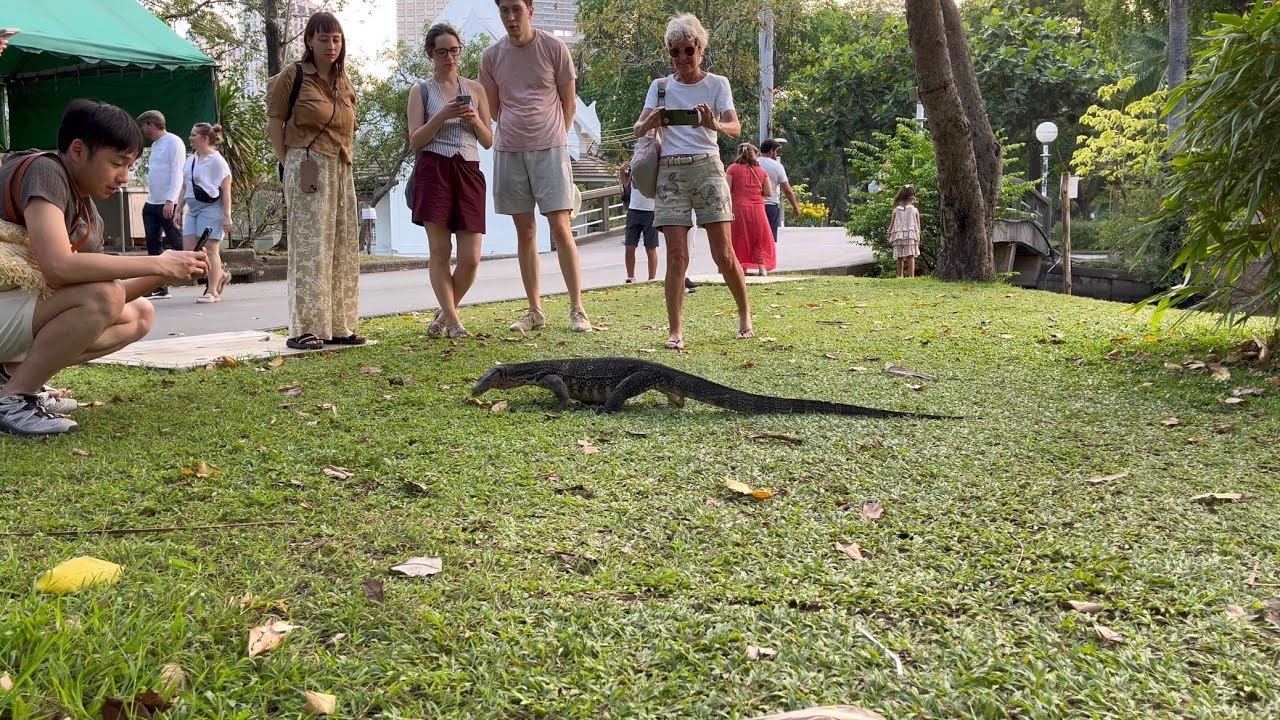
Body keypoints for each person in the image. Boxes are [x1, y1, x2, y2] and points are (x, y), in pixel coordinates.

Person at [0, 99, 208, 436]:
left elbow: (109, 296)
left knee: (139, 313)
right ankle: (13, 398)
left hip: (10, 311)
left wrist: (168, 269)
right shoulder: (45, 170)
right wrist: (156, 260)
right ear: (79, 150)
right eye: (117, 163)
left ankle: (12, 379)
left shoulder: (85, 213)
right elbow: (58, 267)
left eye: (130, 166)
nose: (124, 177)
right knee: (104, 297)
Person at [632, 12, 753, 350]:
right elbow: (638, 129)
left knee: (723, 253)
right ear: (669, 53)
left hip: (707, 168)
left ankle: (744, 312)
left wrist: (713, 124)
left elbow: (735, 128)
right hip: (670, 171)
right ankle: (675, 330)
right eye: (675, 51)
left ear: (700, 48)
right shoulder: (659, 88)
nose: (683, 58)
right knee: (676, 256)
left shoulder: (717, 84)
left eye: (689, 49)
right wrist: (651, 122)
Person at [480, 0, 592, 333]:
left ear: (530, 9)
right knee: (525, 231)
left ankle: (577, 309)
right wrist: (519, 125)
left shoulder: (554, 48)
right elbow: (494, 108)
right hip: (510, 150)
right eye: (504, 11)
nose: (510, 18)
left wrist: (552, 134)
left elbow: (569, 103)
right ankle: (534, 309)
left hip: (550, 148)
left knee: (560, 227)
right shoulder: (491, 57)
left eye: (516, 9)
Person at [266, 11, 362, 350]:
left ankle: (339, 324)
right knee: (310, 247)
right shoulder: (292, 76)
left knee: (343, 244)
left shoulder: (344, 80)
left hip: (341, 165)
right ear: (309, 40)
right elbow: (275, 125)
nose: (331, 45)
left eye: (336, 38)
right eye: (323, 38)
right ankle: (305, 327)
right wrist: (291, 162)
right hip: (307, 162)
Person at [409, 23, 493, 340]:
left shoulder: (477, 90)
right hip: (435, 171)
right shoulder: (422, 91)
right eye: (442, 52)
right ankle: (455, 323)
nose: (449, 57)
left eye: (454, 50)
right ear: (431, 54)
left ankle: (443, 315)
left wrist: (472, 119)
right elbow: (416, 139)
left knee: (471, 258)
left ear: (460, 52)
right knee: (441, 252)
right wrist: (442, 115)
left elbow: (488, 140)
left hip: (469, 170)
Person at [177, 122, 233, 303]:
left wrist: (226, 216)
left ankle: (212, 291)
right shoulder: (191, 159)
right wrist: (179, 208)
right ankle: (221, 275)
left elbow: (226, 190)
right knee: (191, 251)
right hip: (193, 209)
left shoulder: (217, 161)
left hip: (210, 208)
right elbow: (185, 187)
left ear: (205, 138)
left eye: (193, 135)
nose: (190, 138)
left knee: (210, 249)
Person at [137, 110, 186, 299]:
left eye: (143, 126)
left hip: (167, 201)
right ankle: (160, 286)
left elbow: (177, 173)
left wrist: (170, 200)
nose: (143, 130)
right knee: (152, 244)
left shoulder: (174, 142)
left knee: (177, 241)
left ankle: (208, 273)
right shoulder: (156, 145)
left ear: (151, 124)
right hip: (152, 201)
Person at [725, 143, 775, 277]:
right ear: (755, 154)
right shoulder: (761, 171)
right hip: (758, 209)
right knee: (758, 238)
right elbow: (768, 192)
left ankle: (742, 268)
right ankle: (762, 268)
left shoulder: (732, 168)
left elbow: (727, 188)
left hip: (738, 208)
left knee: (739, 237)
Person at [618, 161, 658, 283]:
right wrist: (621, 171)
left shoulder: (654, 170)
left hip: (650, 211)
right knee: (629, 246)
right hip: (634, 210)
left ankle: (652, 278)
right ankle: (630, 277)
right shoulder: (634, 169)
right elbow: (625, 184)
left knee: (650, 247)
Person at [758, 138, 800, 242]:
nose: (776, 154)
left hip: (754, 206)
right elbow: (787, 190)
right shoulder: (777, 166)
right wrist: (795, 207)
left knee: (755, 238)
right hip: (770, 207)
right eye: (776, 151)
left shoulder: (752, 163)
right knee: (769, 240)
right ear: (771, 151)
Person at [887, 185, 921, 278]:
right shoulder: (914, 210)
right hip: (911, 235)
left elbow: (892, 224)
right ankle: (911, 276)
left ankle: (900, 276)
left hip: (898, 234)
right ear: (911, 197)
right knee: (911, 255)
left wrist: (889, 235)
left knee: (899, 256)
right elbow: (918, 225)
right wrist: (918, 236)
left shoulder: (895, 210)